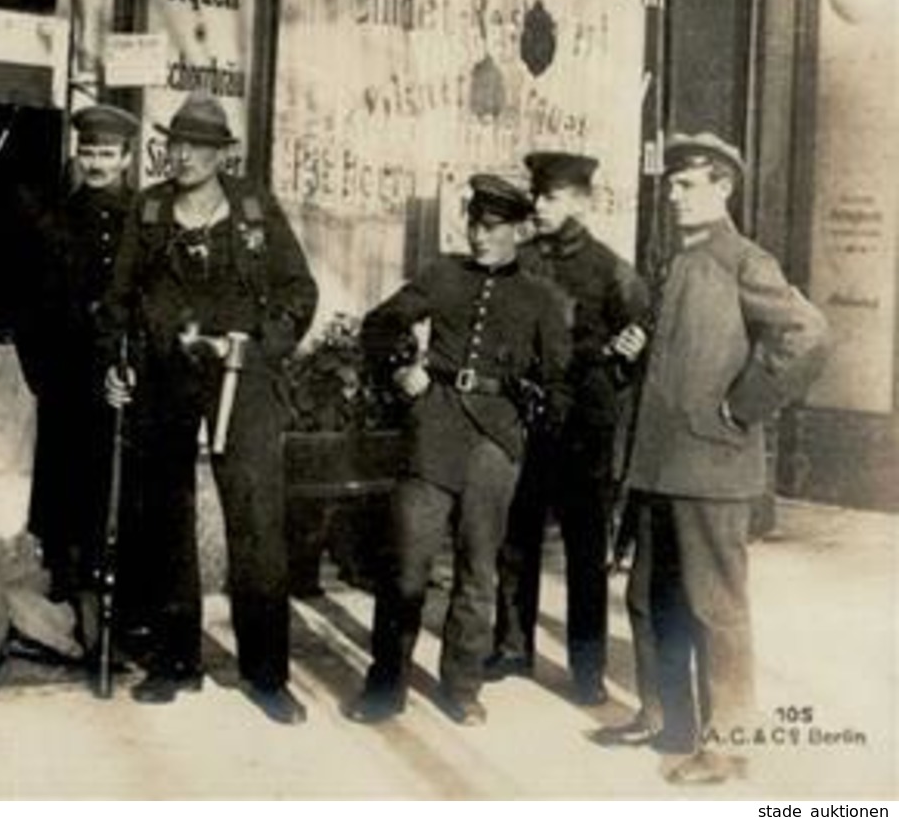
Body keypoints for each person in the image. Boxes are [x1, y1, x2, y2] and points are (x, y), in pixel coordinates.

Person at [590, 132, 827, 785]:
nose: (673, 194)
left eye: (688, 183)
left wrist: (741, 407)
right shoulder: (678, 263)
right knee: (649, 598)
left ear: (722, 187)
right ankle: (668, 720)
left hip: (711, 466)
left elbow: (806, 336)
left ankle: (726, 745)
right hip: (659, 465)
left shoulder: (743, 260)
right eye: (671, 184)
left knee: (714, 607)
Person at [100, 93, 318, 725]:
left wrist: (262, 346)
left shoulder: (253, 208)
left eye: (200, 145)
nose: (185, 155)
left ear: (224, 153)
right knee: (164, 517)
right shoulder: (149, 210)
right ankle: (175, 663)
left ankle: (266, 675)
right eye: (178, 142)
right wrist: (119, 364)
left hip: (239, 381)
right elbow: (118, 301)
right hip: (166, 380)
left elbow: (299, 289)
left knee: (256, 518)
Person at [346, 175, 571, 727]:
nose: (478, 236)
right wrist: (402, 367)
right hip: (435, 427)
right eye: (473, 223)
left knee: (478, 569)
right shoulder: (443, 274)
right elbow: (380, 324)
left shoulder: (542, 296)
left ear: (519, 230)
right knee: (406, 564)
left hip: (496, 441)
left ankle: (462, 686)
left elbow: (560, 380)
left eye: (491, 227)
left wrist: (529, 422)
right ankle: (386, 682)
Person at [487, 152, 651, 705]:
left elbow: (641, 337)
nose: (539, 205)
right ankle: (512, 646)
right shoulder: (521, 260)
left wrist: (629, 352)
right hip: (527, 419)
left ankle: (587, 668)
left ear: (583, 200)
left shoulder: (612, 270)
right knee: (515, 535)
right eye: (537, 194)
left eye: (552, 197)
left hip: (585, 424)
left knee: (585, 549)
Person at [13, 104, 139, 644]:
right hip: (65, 379)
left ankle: (116, 613)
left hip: (120, 381)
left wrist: (136, 370)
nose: (96, 162)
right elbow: (29, 304)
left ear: (128, 158)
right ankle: (69, 603)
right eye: (88, 152)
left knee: (114, 494)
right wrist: (40, 372)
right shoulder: (56, 216)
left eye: (107, 153)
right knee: (64, 491)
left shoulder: (144, 219)